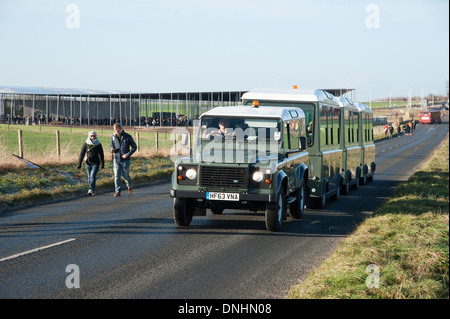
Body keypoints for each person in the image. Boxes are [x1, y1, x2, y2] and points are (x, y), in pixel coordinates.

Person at [110, 123, 137, 197]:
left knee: (125, 175)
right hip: (116, 158)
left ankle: (130, 185)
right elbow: (111, 146)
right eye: (115, 131)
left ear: (121, 129)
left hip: (125, 159)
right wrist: (111, 149)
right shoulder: (113, 137)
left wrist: (128, 154)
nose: (117, 132)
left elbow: (134, 147)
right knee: (117, 176)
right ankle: (117, 191)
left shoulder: (128, 136)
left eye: (118, 131)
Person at [77, 131, 105, 196]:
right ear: (89, 136)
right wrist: (79, 164)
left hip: (96, 163)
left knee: (92, 176)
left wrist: (102, 164)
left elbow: (101, 155)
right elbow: (82, 154)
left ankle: (91, 189)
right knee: (89, 176)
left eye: (94, 135)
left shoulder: (98, 144)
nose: (93, 137)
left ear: (96, 136)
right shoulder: (86, 144)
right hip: (88, 163)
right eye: (91, 136)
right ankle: (91, 189)